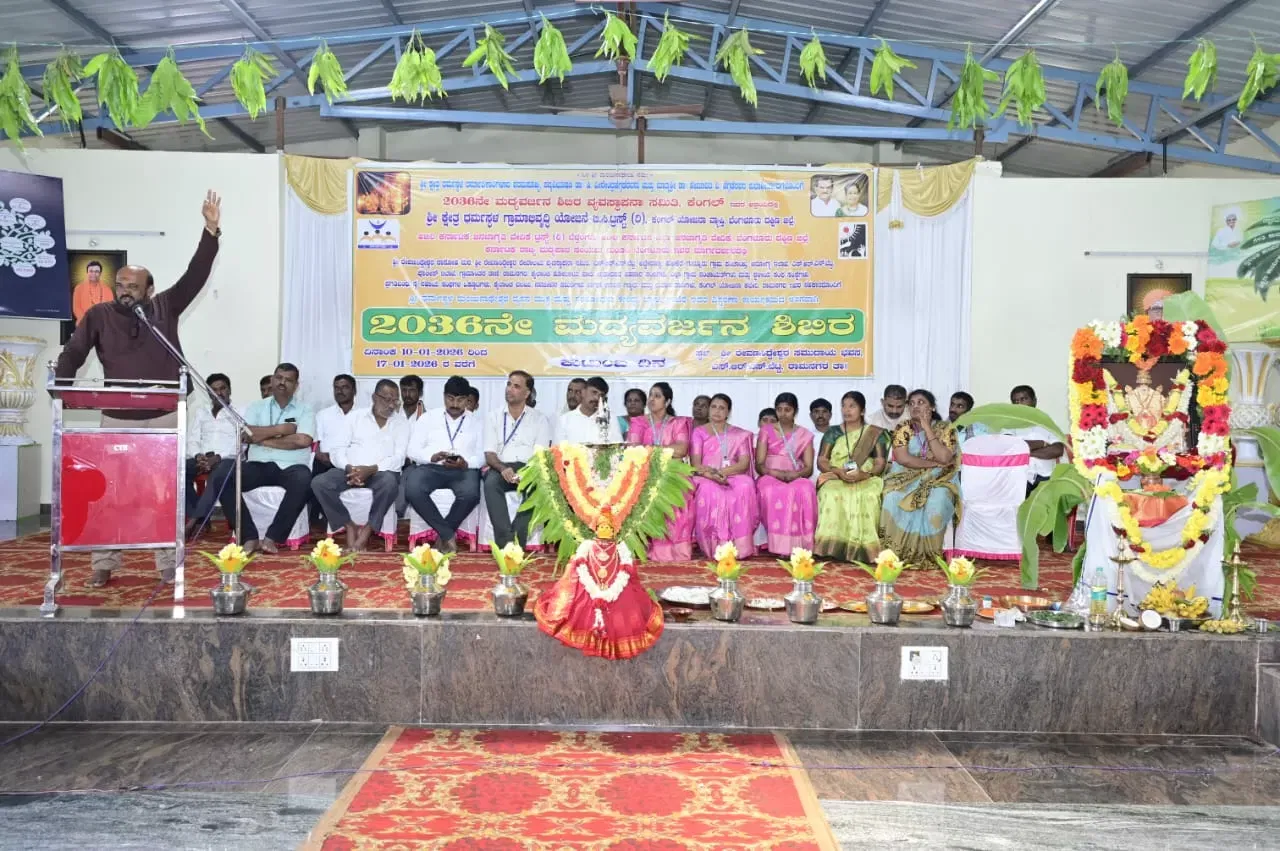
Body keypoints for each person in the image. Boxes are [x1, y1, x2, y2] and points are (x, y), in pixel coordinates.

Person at [55, 190, 222, 587]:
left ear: (149, 289)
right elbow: (74, 352)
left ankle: (166, 563)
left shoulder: (165, 307)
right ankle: (104, 562)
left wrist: (210, 231)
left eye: (133, 285)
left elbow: (196, 274)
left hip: (164, 416)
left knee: (161, 493)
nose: (125, 290)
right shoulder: (99, 314)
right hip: (117, 417)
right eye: (121, 284)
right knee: (110, 492)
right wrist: (62, 386)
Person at [533, 508, 664, 660]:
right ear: (595, 529)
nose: (604, 530)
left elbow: (626, 569)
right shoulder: (587, 547)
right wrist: (593, 588)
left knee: (626, 609)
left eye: (608, 527)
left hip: (616, 591)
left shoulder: (621, 549)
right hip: (587, 589)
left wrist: (611, 591)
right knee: (577, 605)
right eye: (601, 527)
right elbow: (580, 565)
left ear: (614, 531)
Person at [219, 362, 315, 554]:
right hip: (259, 464)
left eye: (288, 380)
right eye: (279, 378)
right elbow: (247, 435)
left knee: (304, 478)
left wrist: (263, 439)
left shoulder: (305, 410)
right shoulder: (256, 407)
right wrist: (282, 430)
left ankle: (273, 537)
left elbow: (303, 440)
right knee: (223, 476)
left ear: (296, 385)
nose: (282, 383)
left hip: (291, 466)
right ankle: (249, 536)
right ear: (272, 380)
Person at [310, 379, 409, 551]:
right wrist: (349, 468)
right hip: (350, 471)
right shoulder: (354, 418)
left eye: (395, 401)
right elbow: (337, 450)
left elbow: (399, 458)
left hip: (380, 473)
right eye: (387, 399)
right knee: (319, 483)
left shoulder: (401, 423)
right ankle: (349, 525)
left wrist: (371, 469)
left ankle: (368, 530)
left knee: (390, 484)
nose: (391, 405)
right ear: (374, 397)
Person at [403, 376, 482, 553]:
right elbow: (412, 450)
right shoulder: (427, 418)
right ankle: (447, 534)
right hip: (432, 468)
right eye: (450, 399)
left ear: (467, 400)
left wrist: (466, 463)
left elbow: (482, 456)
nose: (455, 404)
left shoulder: (477, 423)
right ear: (444, 397)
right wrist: (431, 457)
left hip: (463, 471)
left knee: (471, 494)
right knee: (413, 488)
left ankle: (443, 535)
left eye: (460, 400)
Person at [880, 389, 960, 563]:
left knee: (937, 500)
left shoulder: (945, 428)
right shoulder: (903, 428)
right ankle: (894, 553)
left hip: (940, 479)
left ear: (932, 407)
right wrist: (932, 464)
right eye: (912, 403)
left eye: (921, 402)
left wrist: (927, 428)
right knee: (892, 497)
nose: (915, 406)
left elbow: (945, 458)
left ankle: (929, 554)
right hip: (906, 476)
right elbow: (903, 458)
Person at [815, 391, 888, 563]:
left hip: (866, 476)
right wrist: (838, 471)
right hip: (835, 475)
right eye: (844, 406)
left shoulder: (875, 433)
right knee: (831, 493)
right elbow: (822, 460)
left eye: (852, 406)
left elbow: (880, 462)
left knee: (868, 495)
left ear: (862, 411)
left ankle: (865, 551)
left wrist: (865, 474)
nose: (846, 410)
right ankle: (830, 548)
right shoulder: (832, 432)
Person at [483, 370, 553, 547]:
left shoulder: (539, 419)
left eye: (516, 386)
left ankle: (517, 539)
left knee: (539, 487)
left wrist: (526, 474)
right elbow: (489, 454)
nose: (509, 389)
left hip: (529, 469)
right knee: (491, 483)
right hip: (501, 467)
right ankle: (505, 542)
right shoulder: (493, 416)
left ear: (527, 393)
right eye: (508, 384)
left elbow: (541, 455)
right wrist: (503, 469)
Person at [627, 382, 693, 561]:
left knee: (680, 488)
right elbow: (633, 449)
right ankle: (651, 548)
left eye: (657, 396)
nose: (651, 399)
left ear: (667, 401)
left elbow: (681, 450)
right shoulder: (639, 422)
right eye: (650, 395)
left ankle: (677, 550)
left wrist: (650, 450)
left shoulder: (677, 423)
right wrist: (665, 451)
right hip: (645, 470)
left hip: (672, 471)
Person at [690, 393, 758, 558]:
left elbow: (743, 463)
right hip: (706, 475)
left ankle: (740, 547)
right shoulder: (699, 432)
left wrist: (722, 473)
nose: (717, 411)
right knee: (710, 491)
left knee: (746, 484)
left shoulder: (738, 434)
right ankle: (715, 546)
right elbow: (696, 464)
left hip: (731, 473)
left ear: (728, 412)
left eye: (722, 408)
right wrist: (712, 475)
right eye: (713, 407)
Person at [755, 392, 817, 555]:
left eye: (787, 410)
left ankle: (801, 544)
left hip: (795, 475)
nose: (783, 414)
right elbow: (759, 464)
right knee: (771, 490)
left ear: (795, 411)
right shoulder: (766, 431)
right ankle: (778, 544)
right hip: (770, 475)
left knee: (805, 489)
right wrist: (775, 473)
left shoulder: (804, 434)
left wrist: (794, 475)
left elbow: (808, 468)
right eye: (779, 409)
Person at [185, 372, 239, 533]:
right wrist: (198, 456)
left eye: (223, 388)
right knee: (178, 472)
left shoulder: (239, 413)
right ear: (208, 393)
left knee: (218, 474)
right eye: (214, 390)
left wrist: (218, 457)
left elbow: (241, 444)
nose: (219, 393)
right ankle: (199, 517)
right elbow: (192, 439)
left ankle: (193, 522)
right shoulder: (201, 412)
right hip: (203, 458)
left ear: (230, 390)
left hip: (227, 459)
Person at [312, 374, 357, 526]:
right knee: (313, 476)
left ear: (354, 390)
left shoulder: (364, 414)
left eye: (344, 387)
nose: (340, 391)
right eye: (336, 388)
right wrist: (319, 455)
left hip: (353, 462)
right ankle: (318, 520)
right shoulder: (323, 415)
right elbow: (315, 442)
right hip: (326, 461)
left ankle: (341, 521)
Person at [1009, 385, 1065, 493]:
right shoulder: (1009, 425)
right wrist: (1042, 443)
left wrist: (1025, 453)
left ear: (1034, 401)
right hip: (1019, 479)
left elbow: (1058, 450)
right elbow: (1011, 447)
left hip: (1046, 477)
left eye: (1024, 399)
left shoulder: (1047, 423)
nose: (1019, 404)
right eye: (1015, 401)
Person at [558, 376, 622, 443]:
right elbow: (557, 448)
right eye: (594, 392)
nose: (597, 398)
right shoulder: (565, 420)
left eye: (601, 395)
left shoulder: (610, 419)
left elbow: (617, 446)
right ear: (583, 392)